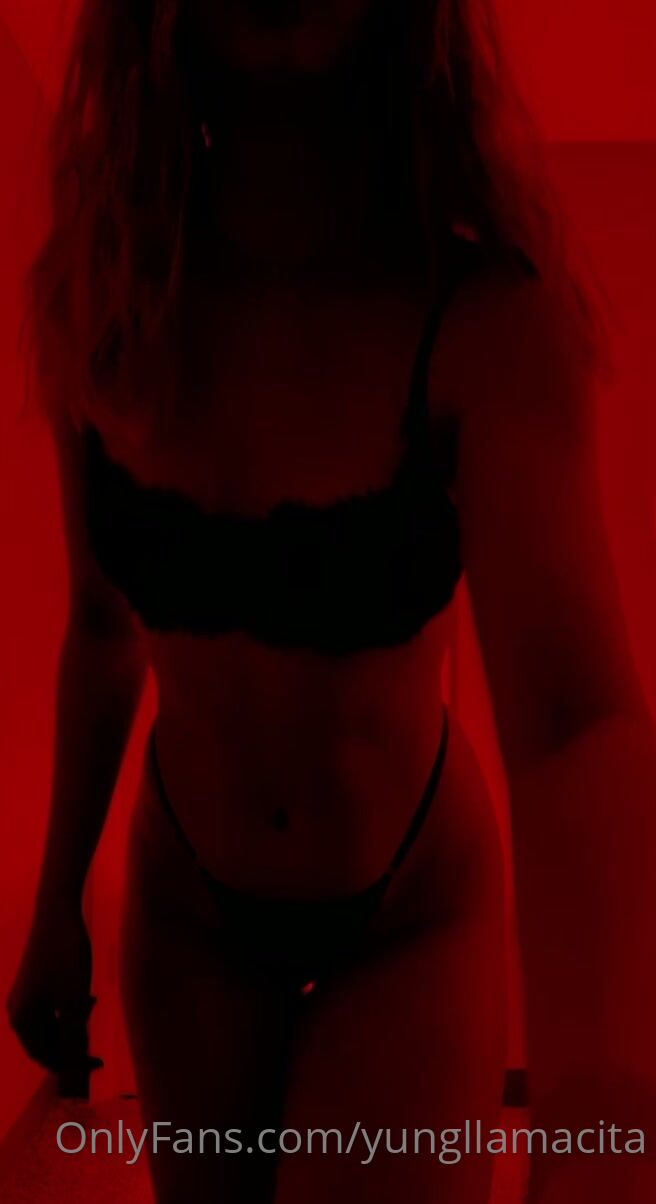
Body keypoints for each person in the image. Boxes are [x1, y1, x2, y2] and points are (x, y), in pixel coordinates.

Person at [6, 1, 656, 1201]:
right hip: (186, 908)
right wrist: (57, 905)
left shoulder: (481, 317)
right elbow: (99, 627)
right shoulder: (104, 302)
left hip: (406, 912)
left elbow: (575, 725)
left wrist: (600, 1114)